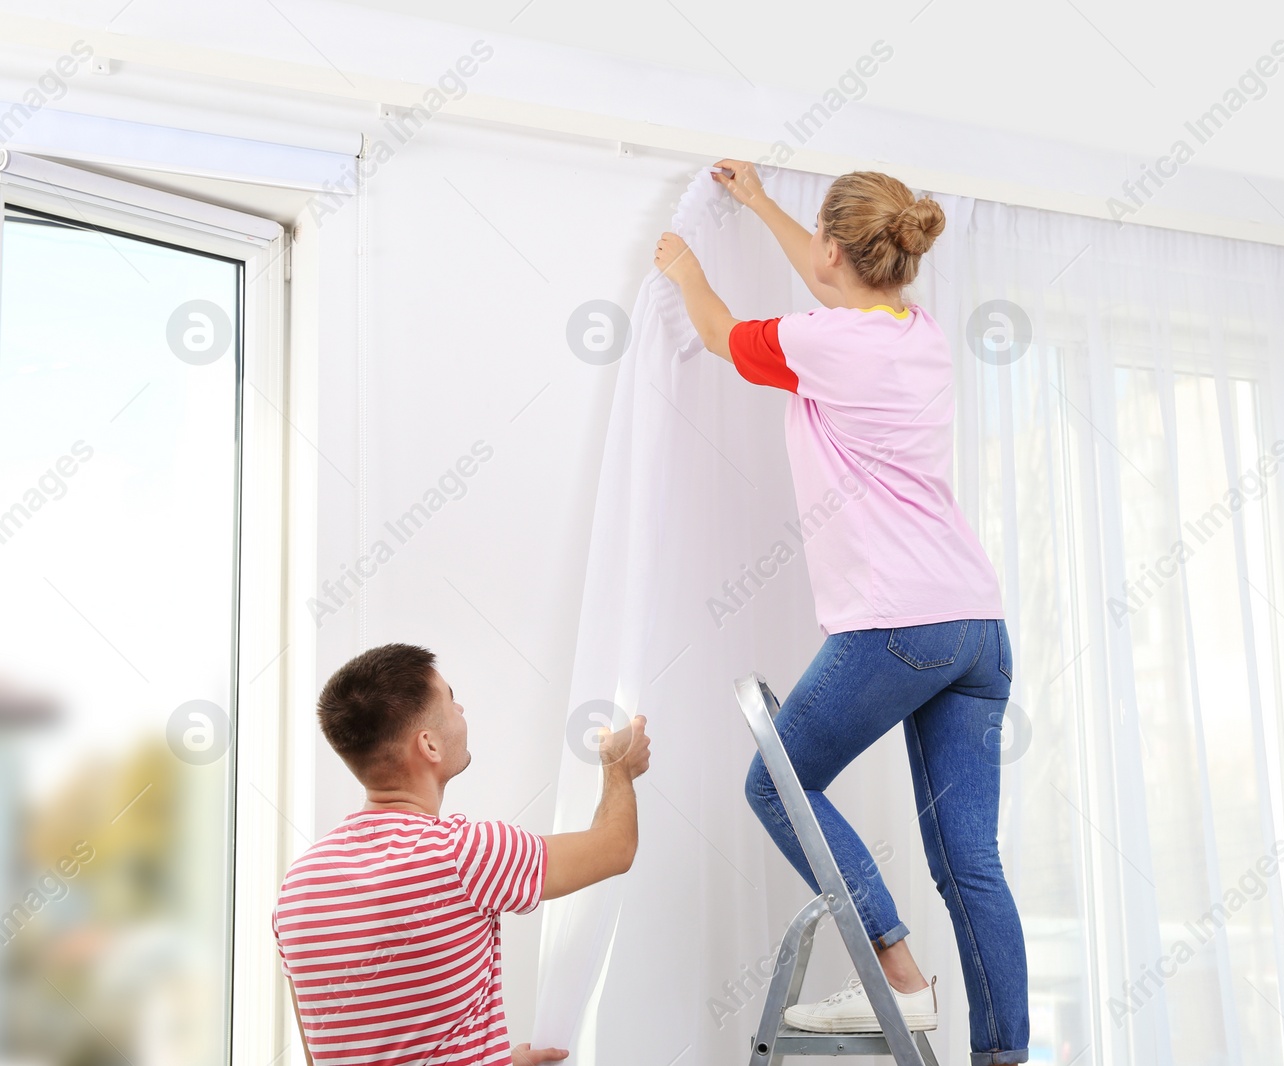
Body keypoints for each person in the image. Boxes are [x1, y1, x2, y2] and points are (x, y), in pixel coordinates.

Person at [653, 160, 1029, 1064]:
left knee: (774, 783)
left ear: (833, 250)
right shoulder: (920, 332)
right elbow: (834, 274)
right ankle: (1005, 1054)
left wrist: (684, 266)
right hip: (977, 625)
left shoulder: (823, 341)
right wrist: (759, 204)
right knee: (969, 861)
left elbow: (716, 332)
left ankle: (898, 971)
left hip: (897, 622)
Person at [271, 643, 651, 1066]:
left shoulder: (297, 888)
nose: (462, 709)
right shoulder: (465, 854)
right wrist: (618, 765)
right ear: (429, 745)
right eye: (451, 701)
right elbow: (616, 846)